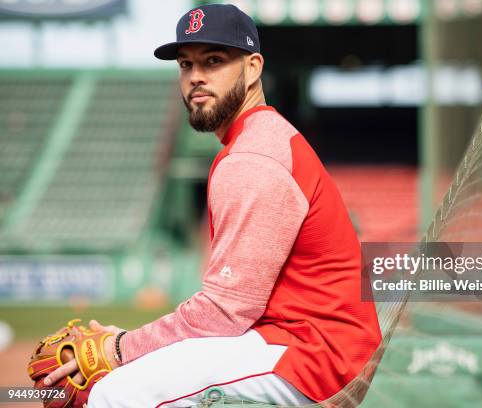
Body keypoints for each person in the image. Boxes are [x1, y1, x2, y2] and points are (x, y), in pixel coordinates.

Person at [44, 4, 381, 407]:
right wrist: (132, 347)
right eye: (186, 64)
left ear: (253, 67)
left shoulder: (253, 157)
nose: (196, 76)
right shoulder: (254, 141)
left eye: (214, 60)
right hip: (293, 340)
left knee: (114, 394)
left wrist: (120, 348)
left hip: (317, 356)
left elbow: (224, 314)